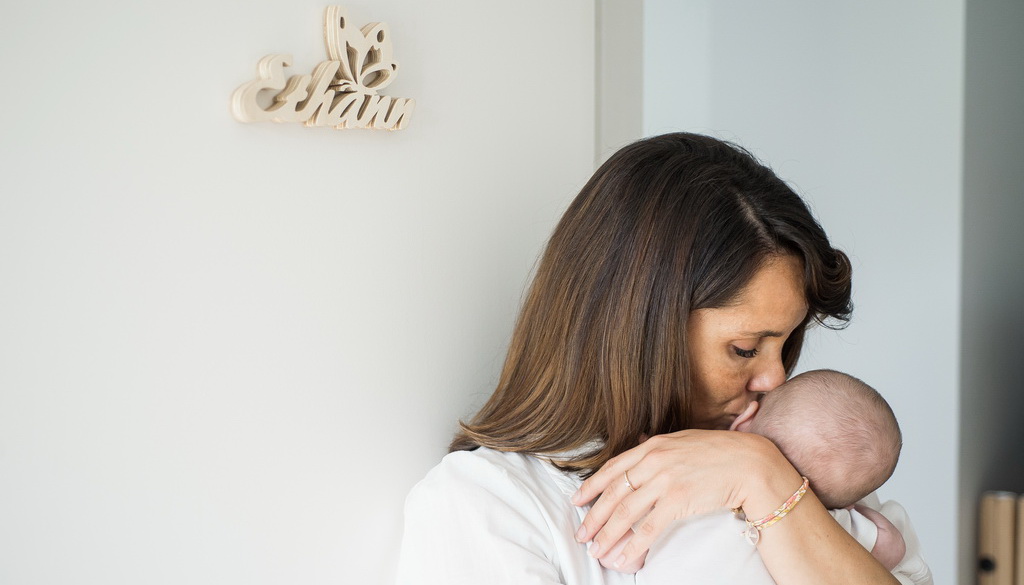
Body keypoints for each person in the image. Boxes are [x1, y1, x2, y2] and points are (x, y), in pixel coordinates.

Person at [396, 133, 929, 584]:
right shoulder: (489, 505)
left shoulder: (797, 476)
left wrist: (762, 478)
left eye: (786, 345)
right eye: (745, 348)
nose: (775, 377)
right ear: (637, 327)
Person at [603, 369, 931, 584]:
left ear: (746, 418)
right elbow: (888, 543)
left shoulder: (677, 489)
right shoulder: (837, 524)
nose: (772, 373)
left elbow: (621, 556)